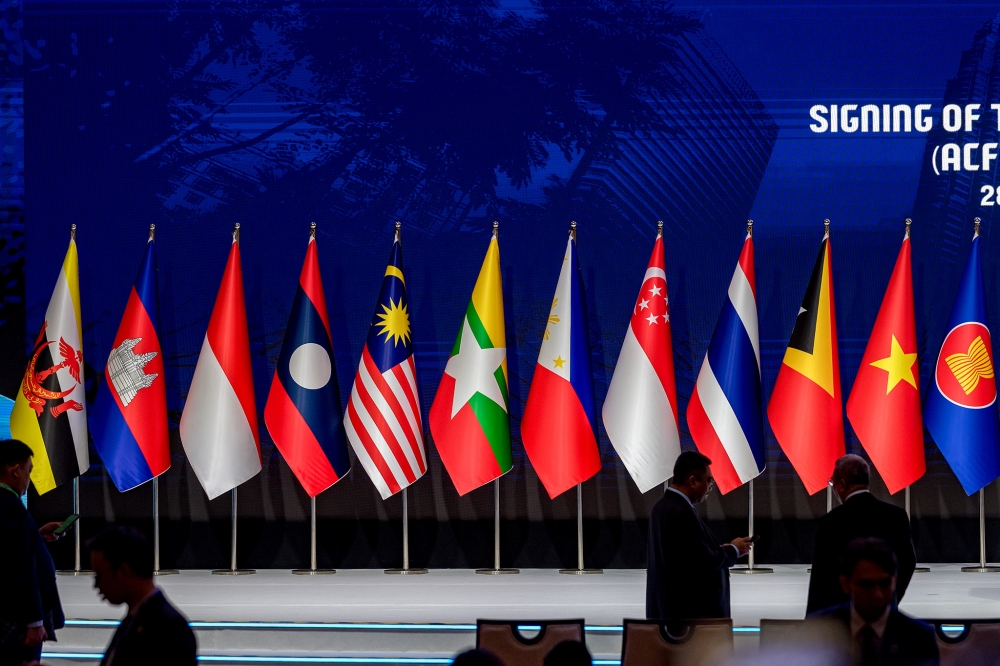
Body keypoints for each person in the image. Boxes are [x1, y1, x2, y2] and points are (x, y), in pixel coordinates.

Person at [646, 451, 753, 619]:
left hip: (667, 608)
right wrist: (734, 550)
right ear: (692, 481)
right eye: (709, 481)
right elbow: (702, 561)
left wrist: (717, 549)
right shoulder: (681, 512)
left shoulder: (660, 507)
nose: (711, 487)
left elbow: (685, 555)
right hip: (689, 615)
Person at [806, 455, 916, 614]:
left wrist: (814, 621)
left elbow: (822, 576)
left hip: (842, 614)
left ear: (842, 484)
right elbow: (908, 562)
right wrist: (890, 596)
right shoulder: (897, 515)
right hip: (884, 609)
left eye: (832, 483)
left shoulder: (832, 521)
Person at [807, 538, 938, 666]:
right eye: (866, 585)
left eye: (885, 584)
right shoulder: (817, 633)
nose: (878, 595)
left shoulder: (918, 638)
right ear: (845, 584)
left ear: (895, 580)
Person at [88, 526, 197, 666]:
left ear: (123, 571)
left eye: (98, 576)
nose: (95, 586)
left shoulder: (169, 630)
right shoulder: (137, 618)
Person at [0, 439, 65, 666]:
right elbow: (22, 567)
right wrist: (34, 621)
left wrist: (35, 536)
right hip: (15, 618)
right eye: (29, 470)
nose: (30, 479)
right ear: (15, 471)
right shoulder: (11, 506)